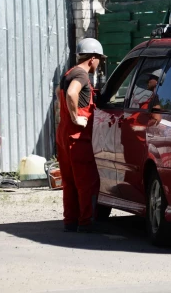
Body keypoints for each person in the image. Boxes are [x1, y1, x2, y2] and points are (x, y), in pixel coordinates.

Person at [55, 38, 106, 232]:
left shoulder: (68, 73)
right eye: (99, 60)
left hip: (64, 136)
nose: (99, 64)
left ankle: (71, 221)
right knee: (87, 183)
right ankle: (86, 223)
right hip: (78, 138)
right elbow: (71, 94)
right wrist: (76, 118)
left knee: (69, 182)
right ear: (92, 59)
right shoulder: (81, 75)